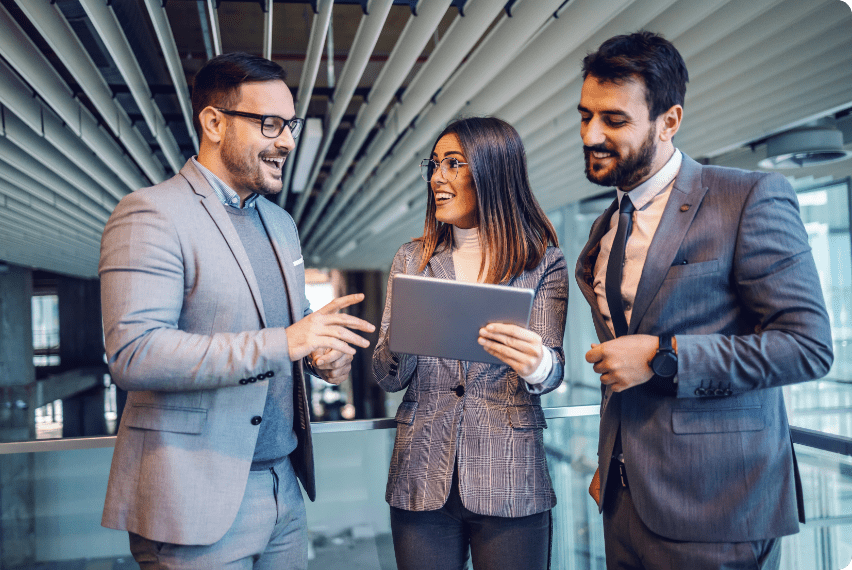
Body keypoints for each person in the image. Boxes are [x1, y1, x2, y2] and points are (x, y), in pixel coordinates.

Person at [99, 52, 375, 568]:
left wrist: (318, 360)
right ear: (213, 122)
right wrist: (286, 342)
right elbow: (134, 353)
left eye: (289, 125)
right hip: (194, 495)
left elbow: (285, 337)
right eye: (270, 124)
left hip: (284, 490)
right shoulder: (151, 213)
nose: (288, 141)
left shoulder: (280, 223)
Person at [574, 31, 833, 569]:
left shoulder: (746, 199)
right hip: (624, 504)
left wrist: (661, 355)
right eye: (584, 115)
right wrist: (614, 458)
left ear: (669, 121)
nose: (591, 134)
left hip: (718, 507)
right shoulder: (604, 226)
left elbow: (807, 347)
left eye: (614, 120)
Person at [372, 117, 567, 570]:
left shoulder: (542, 262)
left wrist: (536, 363)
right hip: (420, 473)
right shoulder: (412, 258)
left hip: (510, 473)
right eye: (435, 164)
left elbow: (552, 371)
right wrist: (407, 336)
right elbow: (386, 375)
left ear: (492, 171)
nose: (437, 177)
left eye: (453, 164)